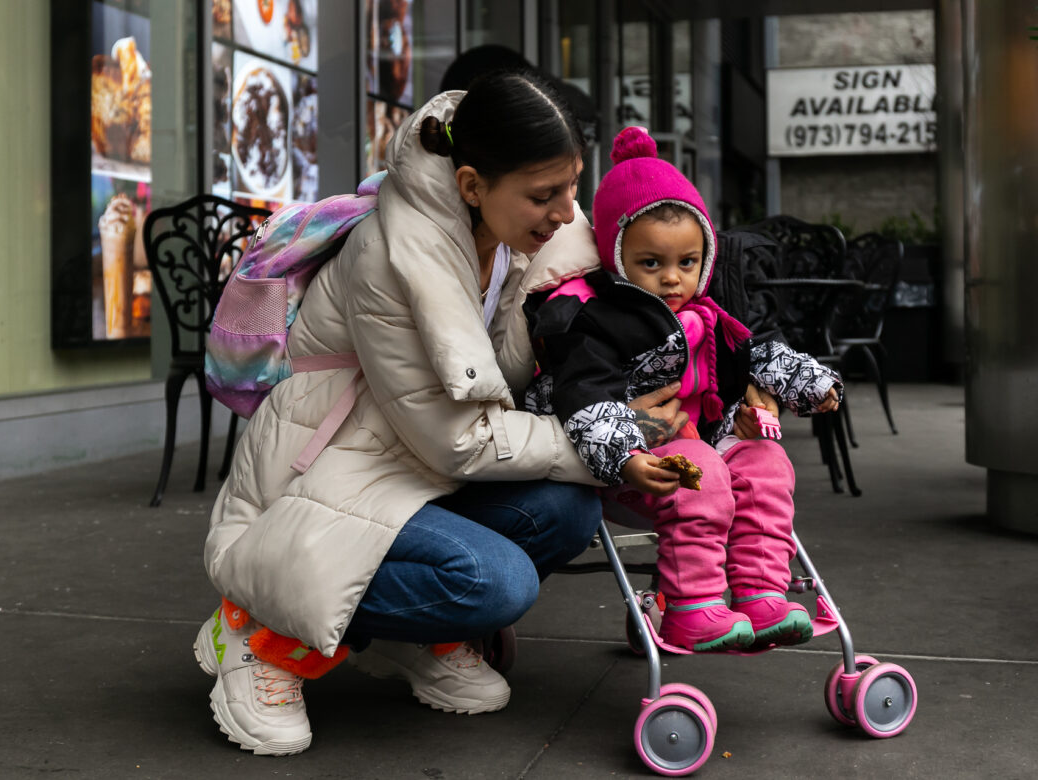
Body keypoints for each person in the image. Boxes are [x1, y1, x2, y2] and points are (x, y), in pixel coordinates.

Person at [194, 76, 689, 756]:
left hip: (410, 463)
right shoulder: (390, 256)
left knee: (570, 511)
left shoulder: (508, 245)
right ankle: (261, 633)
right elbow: (457, 441)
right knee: (495, 582)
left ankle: (420, 634)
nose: (566, 212)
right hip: (334, 469)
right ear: (471, 184)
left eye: (572, 185)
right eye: (544, 195)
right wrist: (614, 441)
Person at [523, 126, 842, 653]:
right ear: (618, 256)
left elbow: (760, 351)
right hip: (633, 464)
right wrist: (623, 454)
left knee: (767, 464)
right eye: (652, 264)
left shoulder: (710, 315)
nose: (674, 279)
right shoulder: (593, 320)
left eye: (687, 263)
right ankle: (693, 607)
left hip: (704, 441)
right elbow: (585, 395)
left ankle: (761, 593)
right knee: (707, 471)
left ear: (705, 257)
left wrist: (810, 385)